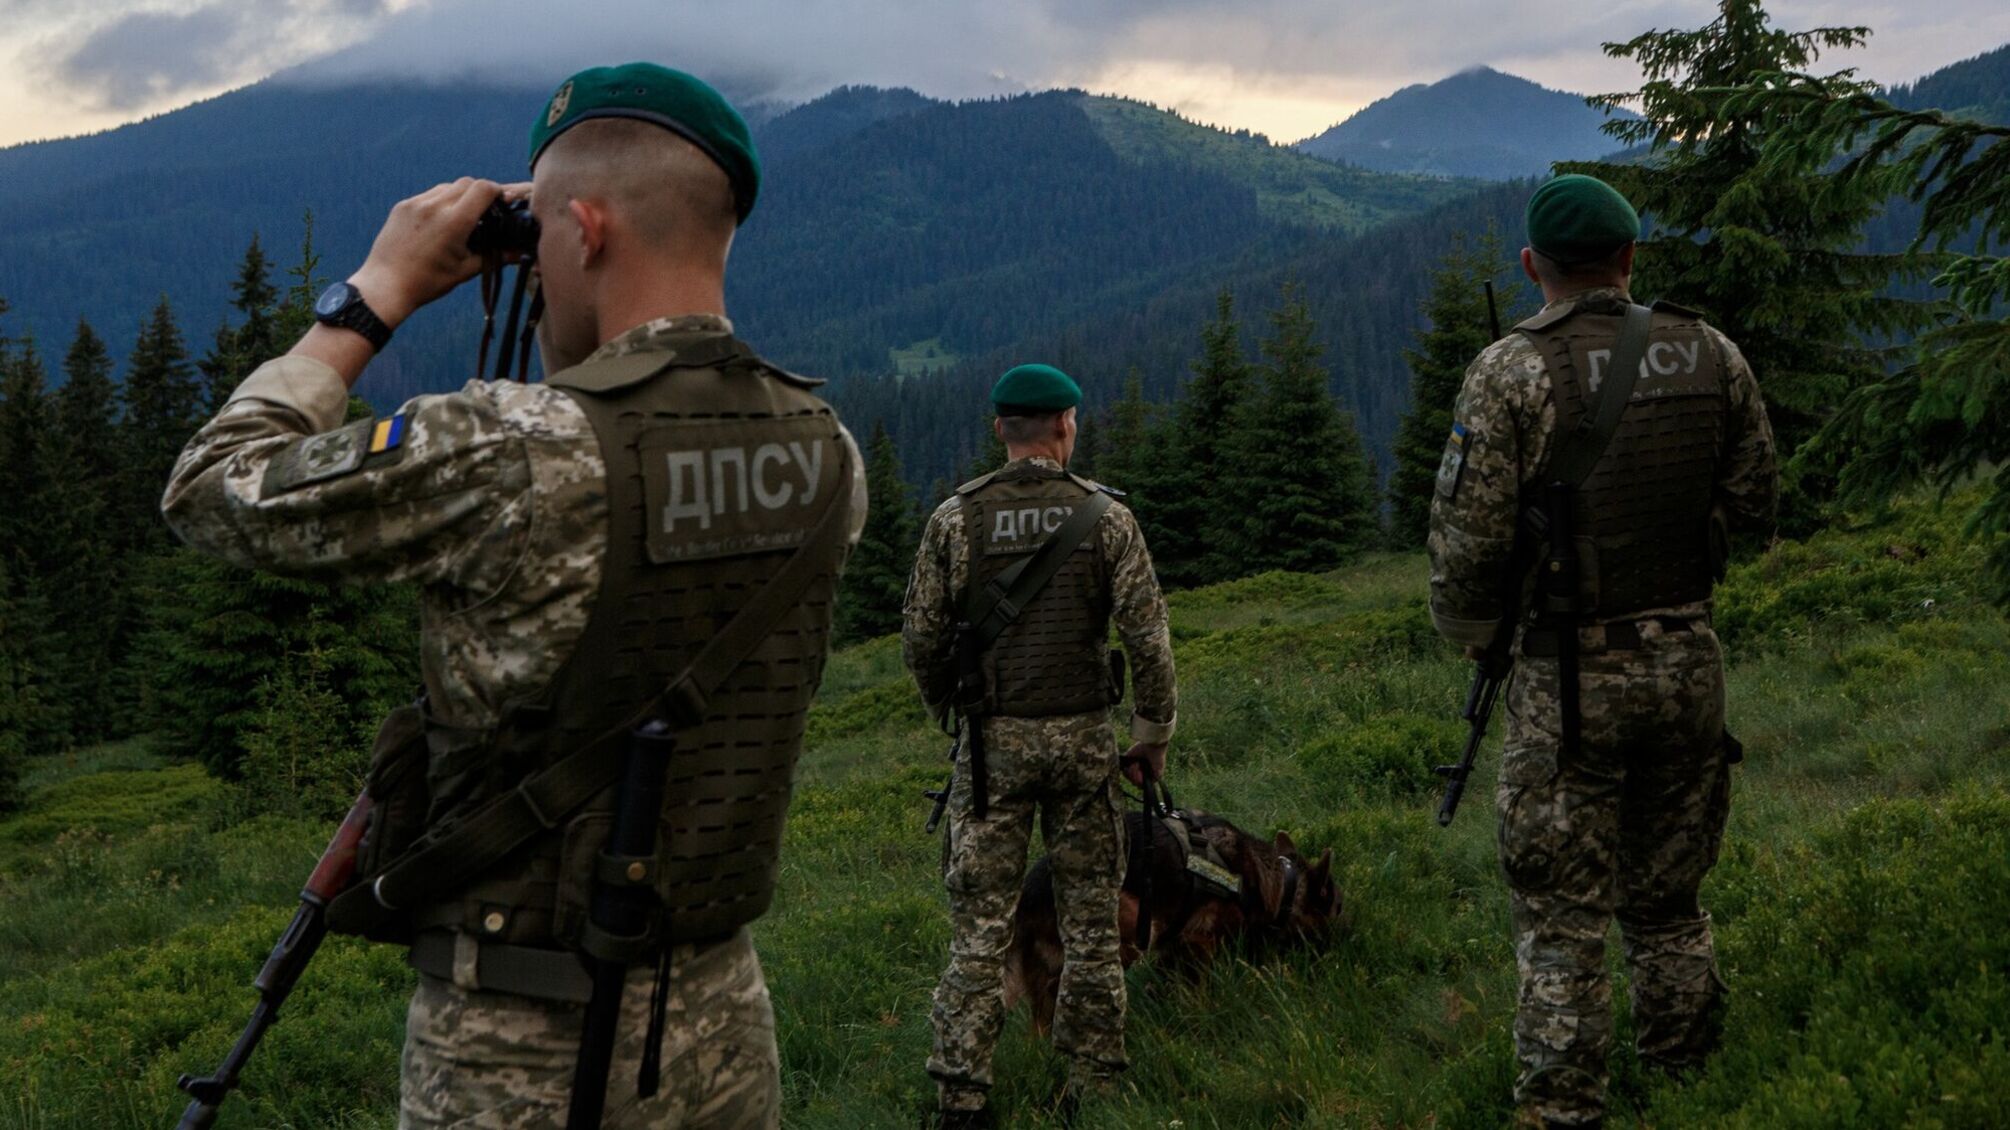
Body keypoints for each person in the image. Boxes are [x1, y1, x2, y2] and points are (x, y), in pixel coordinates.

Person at [162, 63, 867, 1129]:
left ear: (582, 230)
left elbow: (212, 490)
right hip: (721, 1014)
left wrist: (373, 292)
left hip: (518, 1039)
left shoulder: (511, 451)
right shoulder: (826, 451)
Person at [1426, 174, 1778, 1128]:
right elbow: (1756, 506)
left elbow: (1465, 548)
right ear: (1630, 258)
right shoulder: (1714, 352)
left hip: (1567, 680)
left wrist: (1472, 640)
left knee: (1560, 917)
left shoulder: (1510, 371)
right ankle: (1690, 1082)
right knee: (1669, 899)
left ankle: (1563, 1109)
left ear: (1533, 266)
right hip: (1688, 660)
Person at [902, 363, 1178, 1128]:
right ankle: (1094, 1084)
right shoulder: (1106, 520)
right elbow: (1149, 640)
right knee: (1091, 922)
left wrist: (950, 716)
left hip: (993, 752)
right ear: (1065, 424)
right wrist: (1151, 738)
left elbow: (920, 640)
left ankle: (961, 1095)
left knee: (981, 929)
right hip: (1085, 744)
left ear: (1001, 429)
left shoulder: (957, 520)